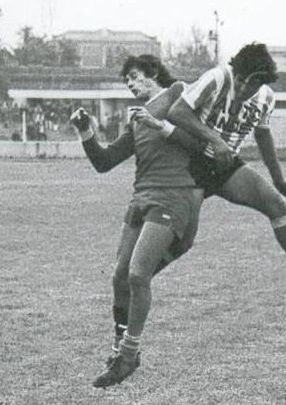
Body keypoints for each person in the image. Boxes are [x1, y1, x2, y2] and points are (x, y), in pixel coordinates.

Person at [167, 42, 286, 297]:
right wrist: (215, 140)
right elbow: (177, 111)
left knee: (276, 204)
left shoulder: (266, 98)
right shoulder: (218, 77)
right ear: (234, 72)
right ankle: (139, 275)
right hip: (190, 162)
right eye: (240, 80)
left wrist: (278, 178)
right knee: (184, 239)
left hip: (225, 166)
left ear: (262, 83)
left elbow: (263, 135)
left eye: (251, 84)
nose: (242, 88)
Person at [72, 55, 205, 388]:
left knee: (137, 273)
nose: (130, 85)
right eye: (126, 81)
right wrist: (86, 131)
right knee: (119, 276)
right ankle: (120, 347)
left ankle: (128, 356)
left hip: (171, 197)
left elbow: (200, 144)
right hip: (140, 199)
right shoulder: (136, 118)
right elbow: (104, 162)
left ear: (153, 73)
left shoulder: (178, 93)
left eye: (134, 77)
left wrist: (161, 124)